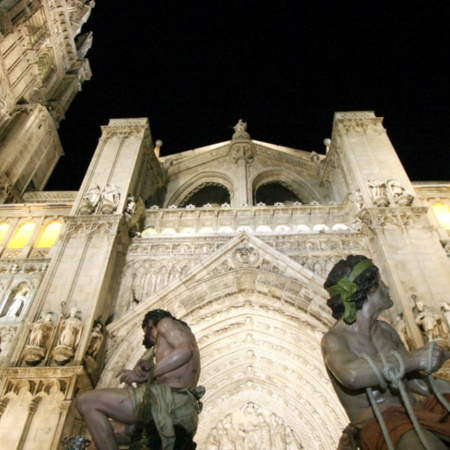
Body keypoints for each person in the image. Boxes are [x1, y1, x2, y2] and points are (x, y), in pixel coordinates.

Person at [322, 255, 450, 450]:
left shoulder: (386, 330)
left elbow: (416, 382)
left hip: (416, 412)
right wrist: (414, 359)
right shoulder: (335, 339)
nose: (387, 287)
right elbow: (352, 375)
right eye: (381, 281)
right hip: (382, 422)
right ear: (369, 287)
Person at [77, 309, 204, 450]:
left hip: (169, 402)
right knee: (105, 433)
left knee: (87, 401)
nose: (151, 341)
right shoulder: (184, 336)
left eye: (147, 334)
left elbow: (185, 351)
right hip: (182, 412)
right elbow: (176, 367)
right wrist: (149, 371)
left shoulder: (165, 323)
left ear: (150, 324)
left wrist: (147, 374)